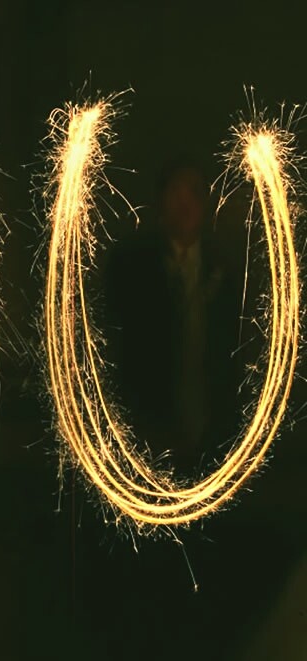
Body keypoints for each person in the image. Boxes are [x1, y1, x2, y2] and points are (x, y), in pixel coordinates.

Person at [105, 158, 243, 471]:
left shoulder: (225, 269)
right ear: (160, 201)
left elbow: (232, 354)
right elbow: (119, 347)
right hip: (147, 431)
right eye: (176, 192)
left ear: (205, 203)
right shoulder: (130, 266)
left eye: (194, 192)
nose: (185, 203)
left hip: (211, 432)